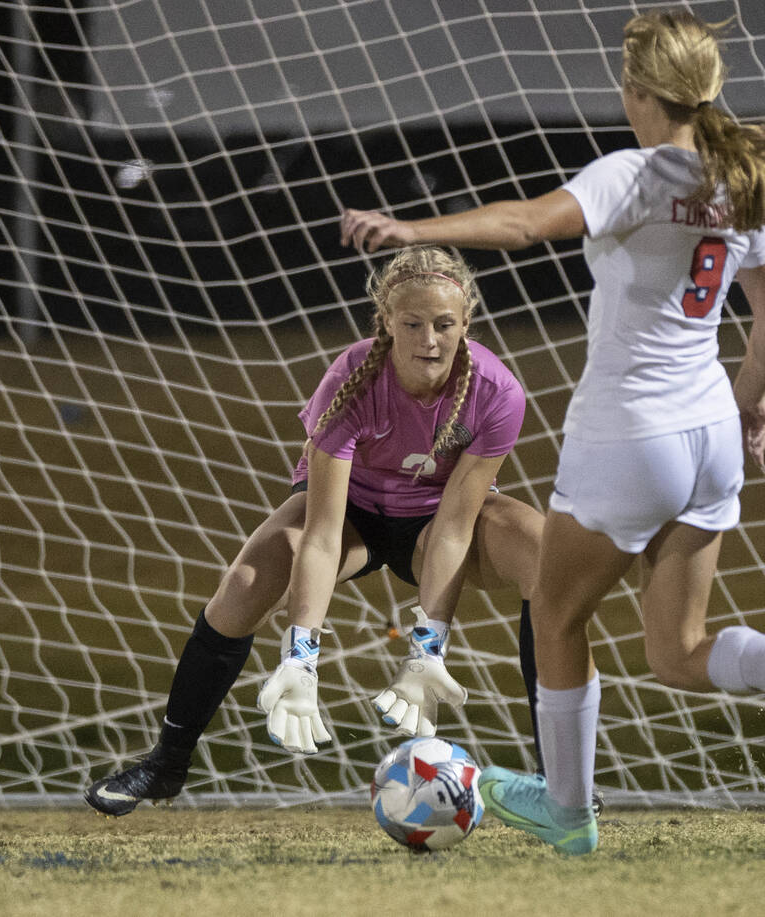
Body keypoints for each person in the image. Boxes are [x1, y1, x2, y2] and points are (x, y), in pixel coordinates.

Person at [340, 8, 765, 855]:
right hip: (708, 437)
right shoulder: (734, 178)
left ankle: (570, 813)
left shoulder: (636, 171)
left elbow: (521, 225)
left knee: (554, 612)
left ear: (642, 91)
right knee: (678, 648)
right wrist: (748, 402)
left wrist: (411, 231)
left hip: (630, 437)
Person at [85, 245, 548, 817]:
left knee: (543, 554)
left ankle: (558, 782)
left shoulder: (496, 392)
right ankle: (166, 764)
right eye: (412, 323)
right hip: (351, 518)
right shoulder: (352, 380)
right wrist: (301, 654)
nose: (429, 338)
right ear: (386, 323)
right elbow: (324, 533)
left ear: (466, 324)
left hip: (438, 523)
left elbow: (453, 528)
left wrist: (428, 645)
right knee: (249, 578)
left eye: (444, 325)